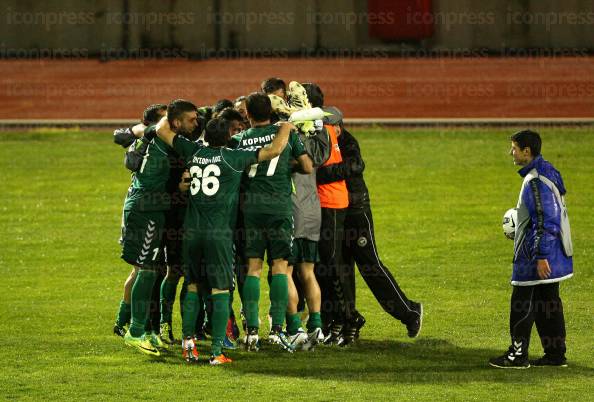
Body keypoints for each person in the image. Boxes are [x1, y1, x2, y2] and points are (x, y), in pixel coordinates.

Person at [157, 115, 295, 364]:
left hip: (191, 233)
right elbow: (275, 150)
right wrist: (285, 127)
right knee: (220, 288)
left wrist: (171, 113)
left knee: (192, 285)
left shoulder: (193, 150)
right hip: (218, 235)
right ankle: (217, 351)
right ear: (228, 138)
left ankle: (189, 345)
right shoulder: (233, 158)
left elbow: (161, 130)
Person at [312, 101, 423, 345]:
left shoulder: (348, 142)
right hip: (336, 211)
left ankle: (409, 311)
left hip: (356, 211)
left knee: (369, 265)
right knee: (338, 269)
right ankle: (348, 321)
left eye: (330, 126)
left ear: (338, 127)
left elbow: (354, 166)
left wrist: (316, 174)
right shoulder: (323, 142)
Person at [232, 92, 313, 352]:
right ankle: (277, 329)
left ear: (247, 112)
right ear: (271, 110)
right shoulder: (285, 134)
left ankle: (252, 331)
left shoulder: (240, 139)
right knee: (279, 267)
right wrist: (288, 166)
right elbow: (308, 167)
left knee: (253, 267)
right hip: (279, 208)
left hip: (251, 210)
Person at [119, 99, 198, 356]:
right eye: (191, 120)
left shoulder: (152, 137)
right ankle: (135, 331)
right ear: (174, 123)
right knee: (147, 270)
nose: (195, 124)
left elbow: (125, 138)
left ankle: (143, 330)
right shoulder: (166, 142)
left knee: (150, 270)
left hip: (147, 208)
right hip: (147, 210)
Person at [489, 130, 573, 369]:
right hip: (557, 252)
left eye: (514, 148)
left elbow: (545, 219)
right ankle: (555, 355)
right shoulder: (548, 170)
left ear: (527, 151)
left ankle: (517, 356)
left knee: (522, 302)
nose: (511, 153)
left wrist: (541, 255)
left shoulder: (535, 180)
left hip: (536, 254)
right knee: (548, 303)